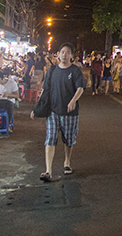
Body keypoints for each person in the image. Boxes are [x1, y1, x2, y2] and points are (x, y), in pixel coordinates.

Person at [30, 42, 85, 183]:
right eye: (62, 52)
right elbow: (45, 90)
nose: (64, 55)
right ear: (58, 54)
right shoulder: (52, 71)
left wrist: (73, 101)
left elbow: (80, 88)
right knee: (50, 139)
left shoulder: (75, 71)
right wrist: (36, 109)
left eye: (68, 52)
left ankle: (67, 162)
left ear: (72, 56)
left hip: (70, 113)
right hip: (53, 111)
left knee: (68, 140)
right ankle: (48, 171)